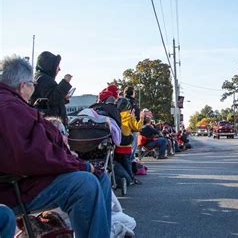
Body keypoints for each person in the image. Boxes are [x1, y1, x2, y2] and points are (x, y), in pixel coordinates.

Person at [0, 55, 111, 238]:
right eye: (31, 85)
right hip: (14, 187)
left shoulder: (11, 104)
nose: (33, 89)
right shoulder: (9, 107)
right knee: (85, 183)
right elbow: (31, 155)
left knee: (100, 178)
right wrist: (79, 165)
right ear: (23, 86)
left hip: (23, 179)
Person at [30, 51, 72, 125]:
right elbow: (52, 100)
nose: (59, 69)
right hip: (50, 124)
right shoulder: (44, 79)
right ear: (50, 66)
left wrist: (64, 98)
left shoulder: (40, 77)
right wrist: (65, 82)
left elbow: (48, 100)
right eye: (57, 66)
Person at [115, 98, 145, 184]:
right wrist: (141, 118)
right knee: (127, 166)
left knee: (119, 166)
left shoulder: (116, 116)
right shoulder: (128, 117)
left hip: (116, 146)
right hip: (126, 146)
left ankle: (121, 179)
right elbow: (137, 127)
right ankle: (129, 179)